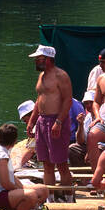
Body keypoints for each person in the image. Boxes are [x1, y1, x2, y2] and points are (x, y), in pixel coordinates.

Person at [28, 44, 74, 194]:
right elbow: (39, 99)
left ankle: (67, 197)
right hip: (42, 120)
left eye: (38, 59)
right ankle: (50, 198)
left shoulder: (61, 75)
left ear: (47, 59)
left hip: (56, 120)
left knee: (60, 163)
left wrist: (59, 122)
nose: (35, 61)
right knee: (46, 163)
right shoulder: (41, 76)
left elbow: (68, 100)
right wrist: (32, 121)